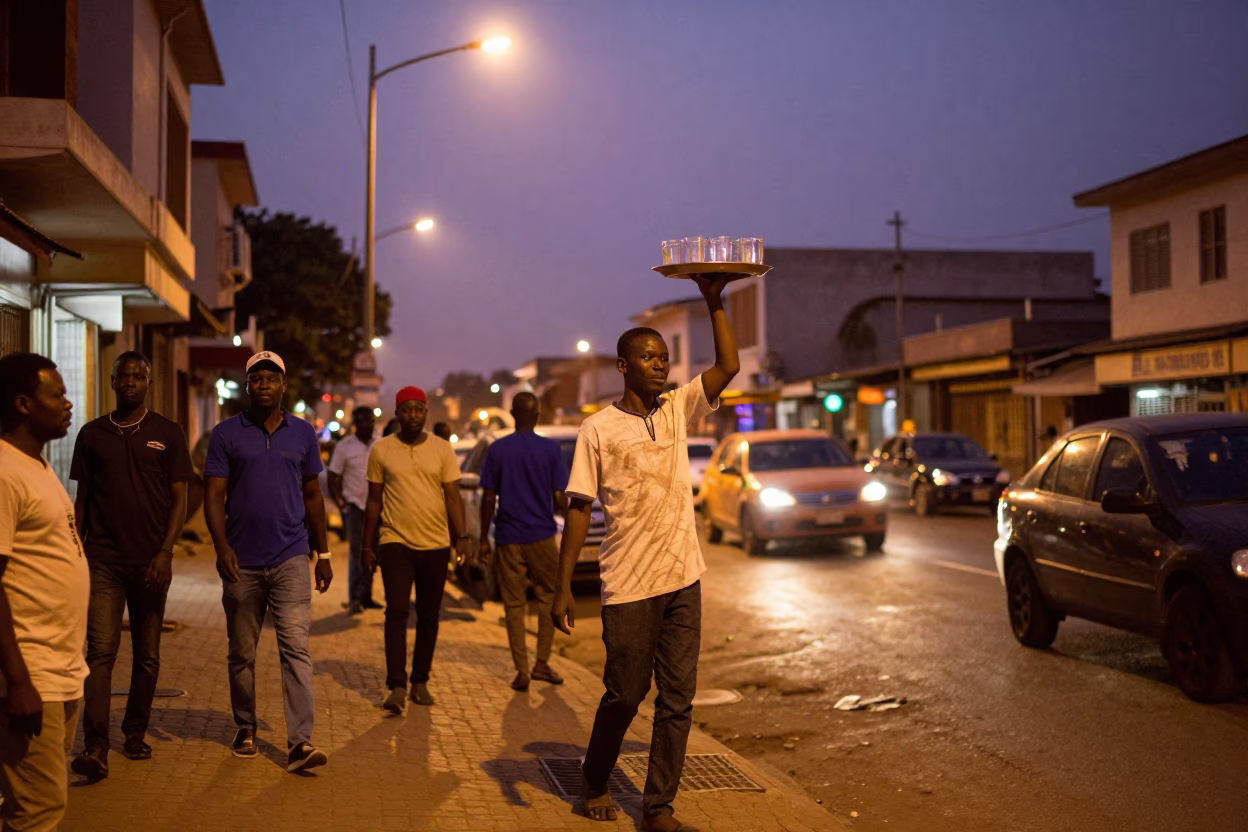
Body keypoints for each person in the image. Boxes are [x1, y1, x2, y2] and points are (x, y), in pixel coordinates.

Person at [552, 275, 738, 832]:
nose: (661, 365)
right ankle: (595, 776)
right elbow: (580, 508)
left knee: (678, 699)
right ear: (624, 366)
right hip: (629, 583)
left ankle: (658, 808)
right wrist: (562, 586)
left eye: (664, 357)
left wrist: (714, 302)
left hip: (684, 577)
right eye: (649, 357)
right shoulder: (598, 429)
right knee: (625, 694)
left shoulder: (679, 409)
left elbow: (727, 367)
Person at [204, 351, 332, 772]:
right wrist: (222, 547)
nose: (263, 384)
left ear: (283, 386)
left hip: (292, 557)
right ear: (247, 386)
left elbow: (313, 496)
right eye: (255, 378)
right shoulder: (226, 434)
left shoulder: (303, 435)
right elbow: (214, 496)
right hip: (242, 561)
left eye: (270, 378)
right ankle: (245, 726)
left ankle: (300, 743)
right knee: (242, 651)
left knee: (295, 648)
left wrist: (324, 552)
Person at [69, 351, 192, 780]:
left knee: (148, 656)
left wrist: (165, 552)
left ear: (148, 383)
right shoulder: (91, 435)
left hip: (151, 563)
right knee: (100, 653)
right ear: (112, 381)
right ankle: (95, 747)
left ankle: (135, 732)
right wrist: (76, 550)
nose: (130, 383)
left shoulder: (168, 433)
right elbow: (83, 500)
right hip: (102, 560)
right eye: (123, 376)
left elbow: (181, 498)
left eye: (138, 376)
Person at [0, 352, 88, 830]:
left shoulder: (36, 466)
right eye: (56, 395)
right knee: (37, 812)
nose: (68, 403)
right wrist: (17, 681)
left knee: (37, 805)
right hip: (32, 675)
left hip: (60, 671)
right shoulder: (4, 471)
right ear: (22, 404)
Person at [361, 386, 469, 713]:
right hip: (395, 542)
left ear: (426, 412)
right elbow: (374, 500)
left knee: (429, 615)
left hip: (435, 544)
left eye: (417, 410)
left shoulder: (442, 450)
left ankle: (420, 680)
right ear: (396, 413)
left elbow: (453, 496)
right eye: (405, 410)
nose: (412, 416)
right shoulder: (381, 451)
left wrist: (461, 536)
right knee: (395, 611)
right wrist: (367, 545)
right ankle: (396, 684)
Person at [478, 392, 568, 692]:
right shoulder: (551, 450)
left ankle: (522, 671)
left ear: (513, 414)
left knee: (514, 605)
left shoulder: (498, 450)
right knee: (546, 598)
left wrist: (482, 539)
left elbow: (489, 496)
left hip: (507, 537)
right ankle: (542, 663)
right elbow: (558, 498)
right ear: (538, 414)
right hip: (541, 535)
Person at [328, 406, 380, 615]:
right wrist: (341, 503)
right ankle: (355, 597)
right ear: (355, 423)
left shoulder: (380, 445)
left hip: (377, 507)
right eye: (362, 421)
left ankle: (366, 596)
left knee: (373, 551)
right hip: (355, 507)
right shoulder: (344, 447)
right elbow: (333, 476)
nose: (366, 425)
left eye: (369, 421)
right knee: (357, 551)